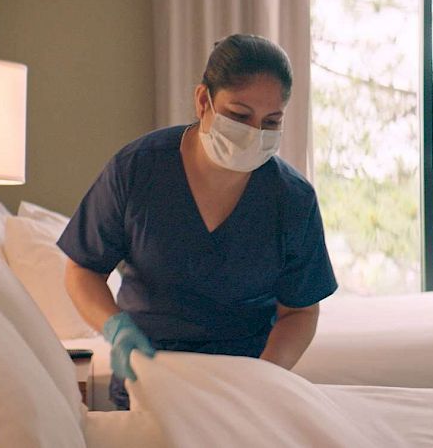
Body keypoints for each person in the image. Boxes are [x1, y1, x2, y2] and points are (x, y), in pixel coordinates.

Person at [57, 34, 337, 410]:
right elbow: (82, 269)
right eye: (239, 115)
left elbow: (300, 311)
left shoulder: (291, 198)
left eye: (271, 121)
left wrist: (265, 377)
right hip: (150, 379)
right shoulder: (139, 169)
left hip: (244, 386)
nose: (255, 134)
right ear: (203, 101)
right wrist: (115, 327)